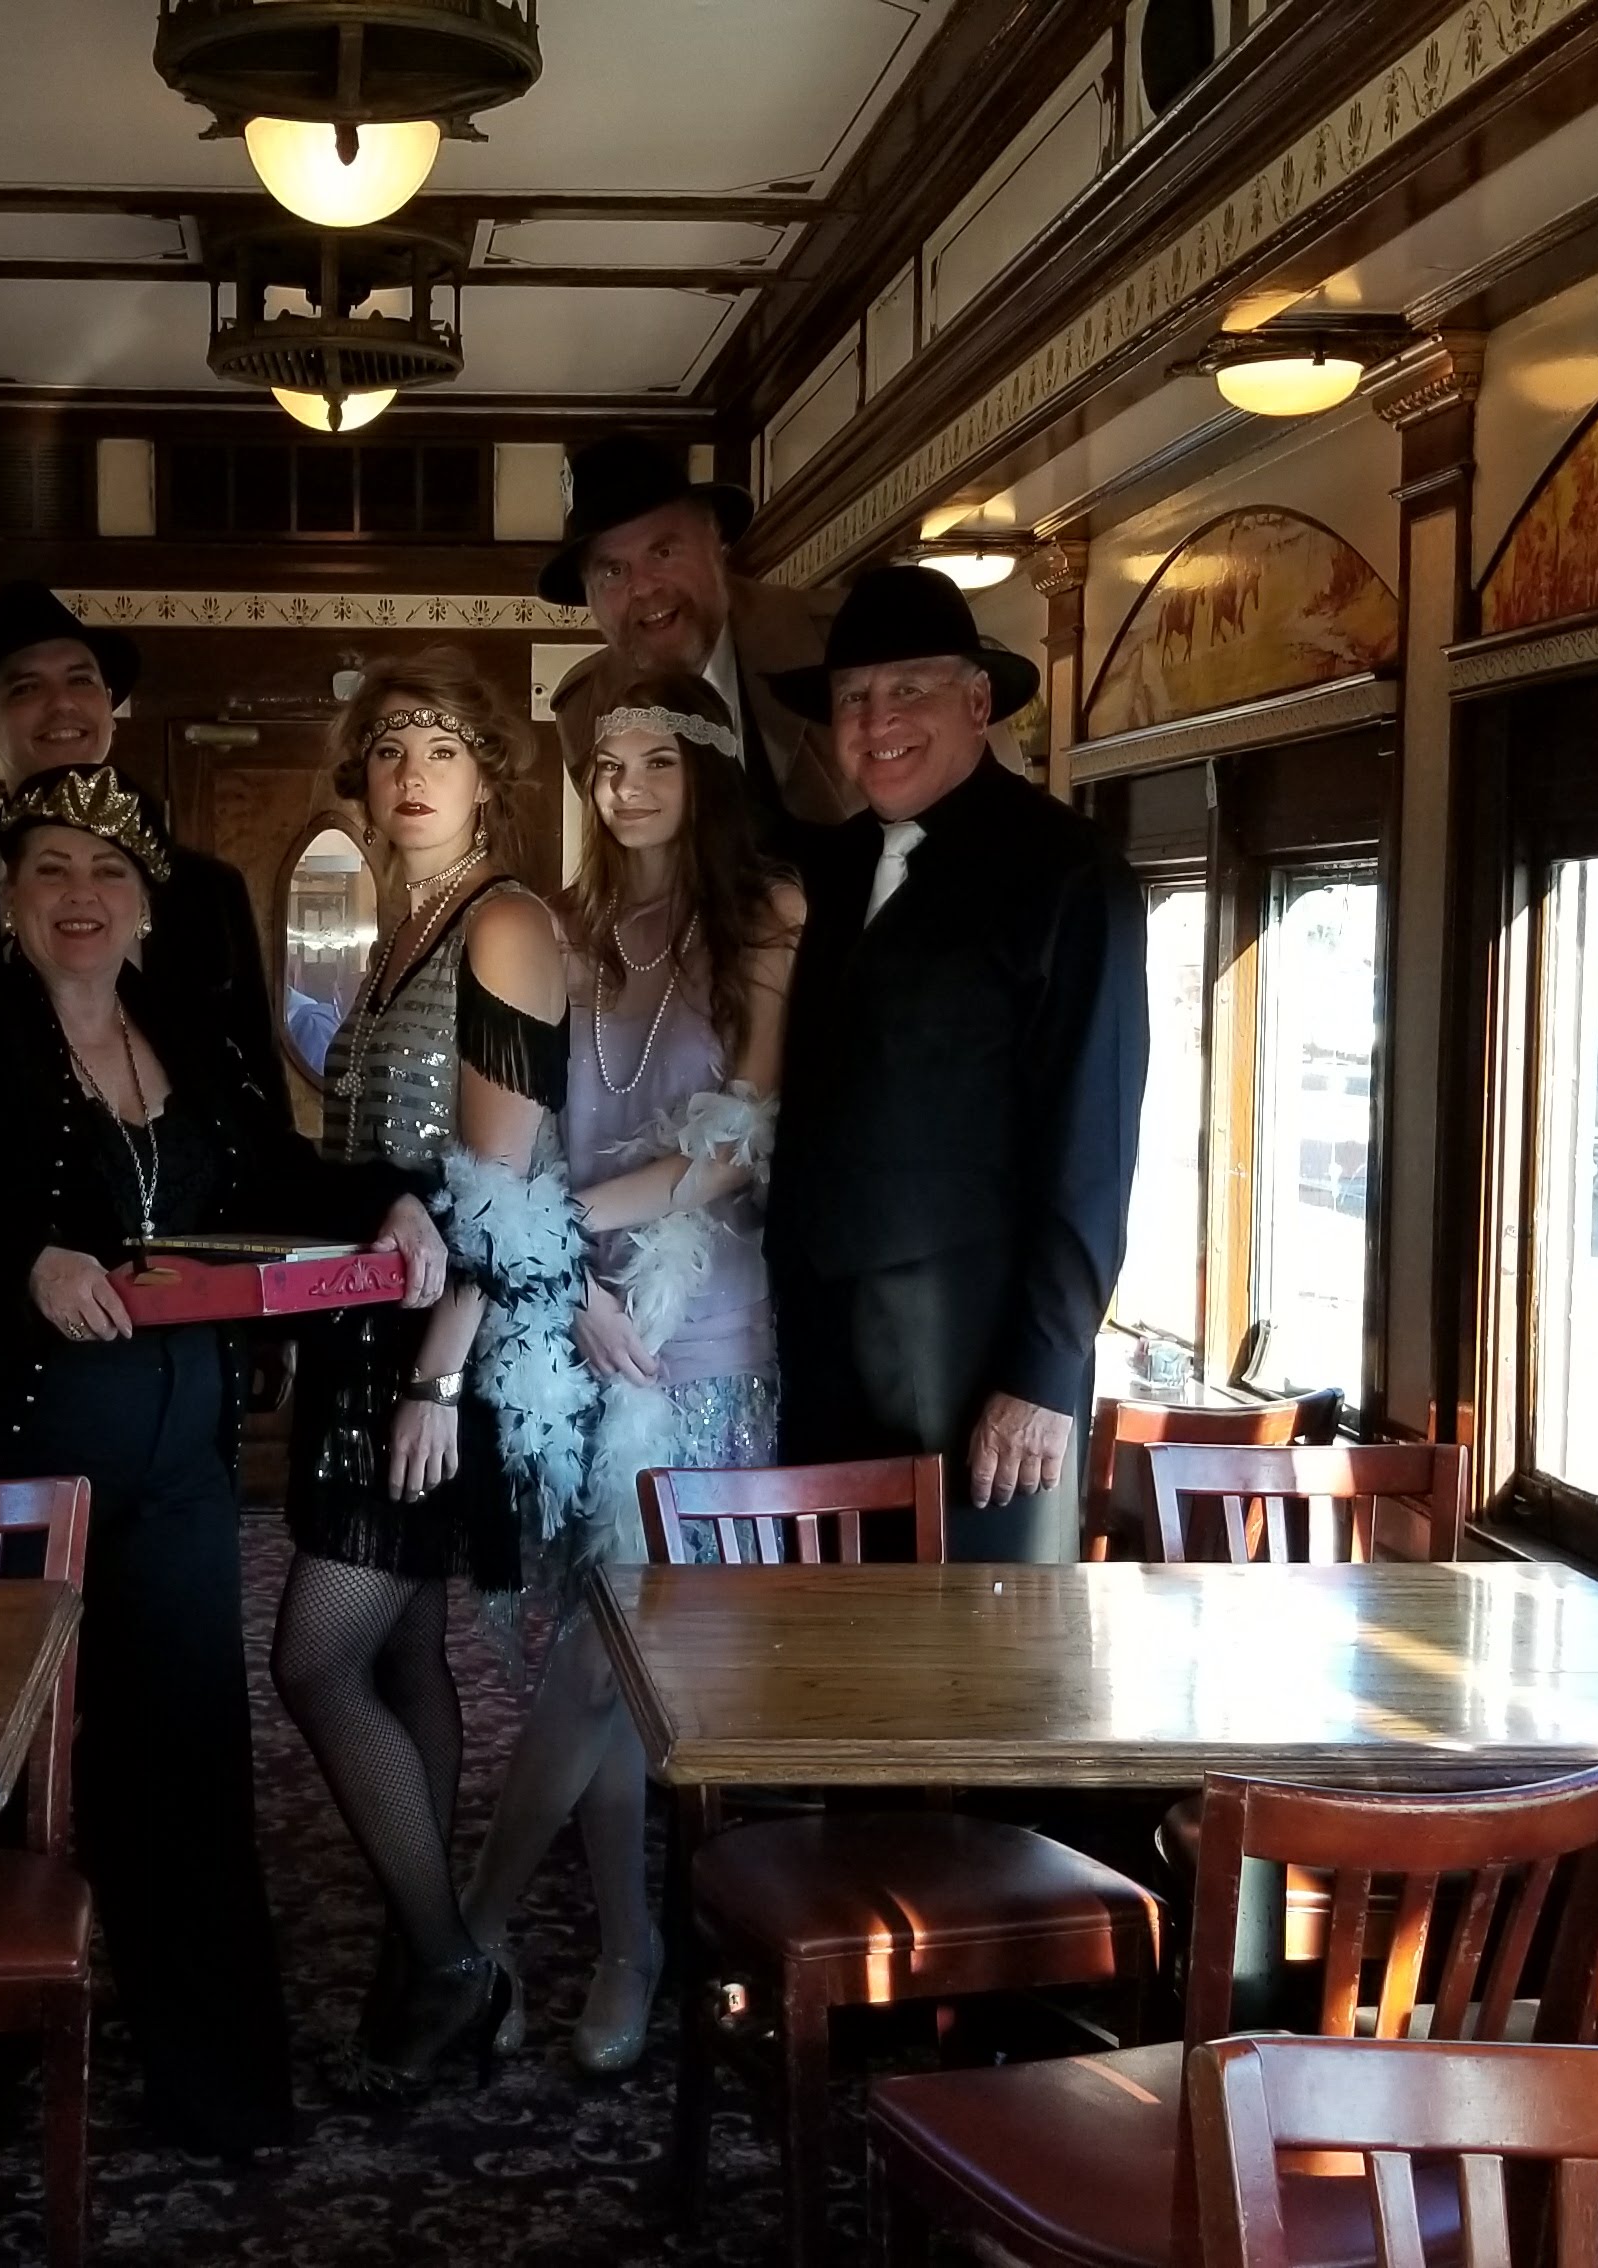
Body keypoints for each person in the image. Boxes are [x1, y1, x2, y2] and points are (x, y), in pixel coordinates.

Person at [0, 767, 444, 2155]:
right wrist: (26, 1261)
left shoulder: (192, 1033)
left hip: (178, 1466)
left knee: (184, 1761)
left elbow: (273, 1178)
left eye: (108, 873)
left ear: (147, 908)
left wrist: (392, 1201)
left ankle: (216, 2085)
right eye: (51, 869)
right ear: (9, 898)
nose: (82, 895)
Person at [459, 671, 801, 2075]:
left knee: (611, 1667)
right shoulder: (560, 930)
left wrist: (562, 1228)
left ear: (706, 769)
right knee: (584, 1660)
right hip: (573, 1327)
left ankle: (472, 1933)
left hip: (701, 1329)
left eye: (657, 760)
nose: (627, 787)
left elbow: (738, 1142)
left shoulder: (766, 920)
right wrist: (562, 1270)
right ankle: (624, 1940)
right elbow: (516, 1134)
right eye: (607, 765)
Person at [275, 648, 587, 2094]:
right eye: (391, 747)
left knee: (312, 1656)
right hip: (367, 1328)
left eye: (444, 747)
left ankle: (456, 1965)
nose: (412, 773)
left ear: (487, 778)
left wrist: (438, 1378)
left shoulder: (504, 920)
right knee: (400, 1653)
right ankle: (425, 1944)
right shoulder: (401, 926)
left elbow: (501, 1182)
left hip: (439, 1343)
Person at [767, 564, 1146, 1565]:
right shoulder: (827, 871)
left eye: (909, 690)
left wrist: (1043, 1371)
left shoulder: (1068, 873)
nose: (877, 720)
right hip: (819, 1358)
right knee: (821, 1636)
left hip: (979, 1368)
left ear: (978, 702)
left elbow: (1094, 1139)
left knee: (975, 1645)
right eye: (853, 697)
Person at [0, 582, 282, 1120]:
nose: (62, 704)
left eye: (81, 680)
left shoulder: (207, 891)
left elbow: (262, 1091)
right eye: (26, 688)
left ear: (109, 706)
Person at [540, 435, 858, 842]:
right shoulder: (584, 708)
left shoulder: (838, 642)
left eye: (663, 553)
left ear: (715, 541)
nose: (644, 587)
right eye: (613, 572)